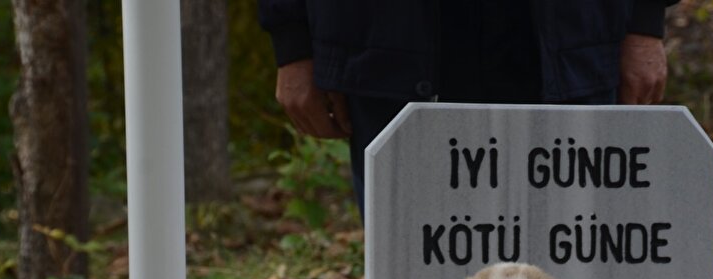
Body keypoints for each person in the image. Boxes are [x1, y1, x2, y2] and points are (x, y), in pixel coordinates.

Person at [258, 0, 677, 213]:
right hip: (385, 42)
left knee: (573, 272)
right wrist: (292, 41)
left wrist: (643, 21)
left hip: (567, 39)